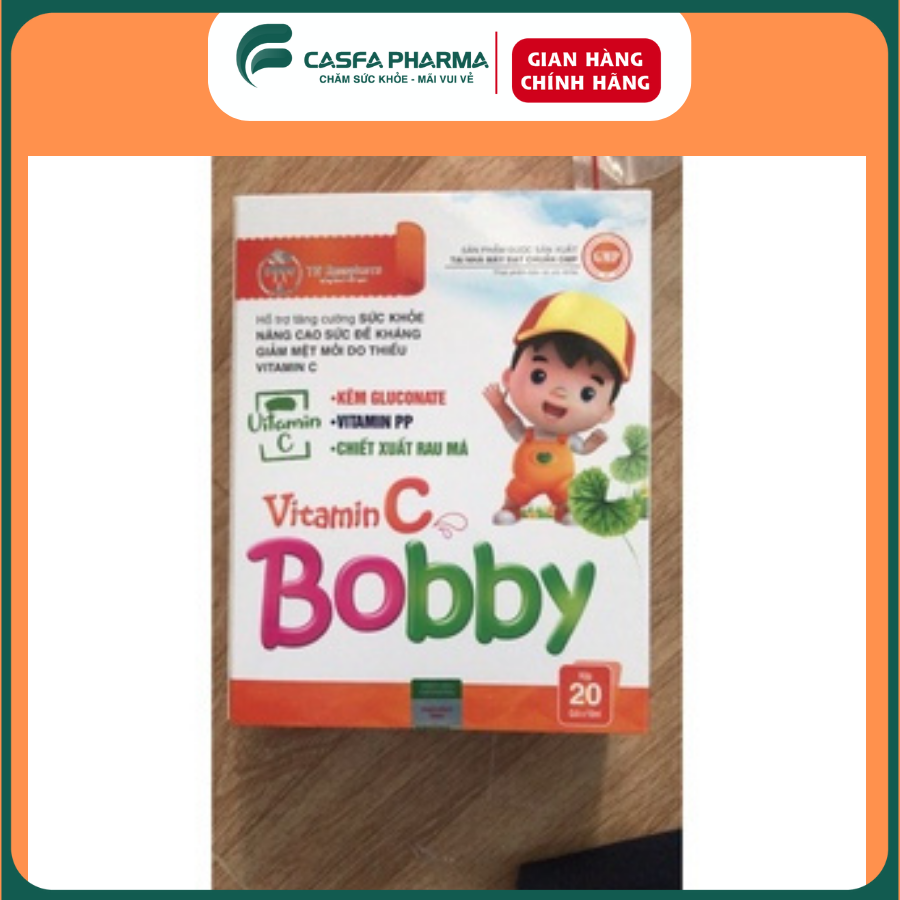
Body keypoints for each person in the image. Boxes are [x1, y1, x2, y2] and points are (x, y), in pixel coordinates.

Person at [484, 291, 635, 525]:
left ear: (607, 411)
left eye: (587, 393)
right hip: (525, 481)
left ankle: (564, 510)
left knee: (566, 493)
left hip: (560, 483)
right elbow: (513, 425)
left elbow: (582, 449)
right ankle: (511, 508)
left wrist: (593, 443)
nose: (560, 392)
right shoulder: (529, 435)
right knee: (516, 491)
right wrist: (499, 404)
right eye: (539, 376)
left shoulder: (568, 439)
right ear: (508, 378)